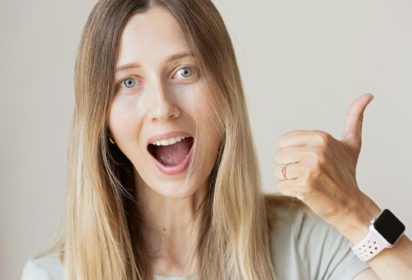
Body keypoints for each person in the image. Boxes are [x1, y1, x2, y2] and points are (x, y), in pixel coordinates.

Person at [20, 0, 412, 279]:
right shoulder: (52, 275)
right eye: (128, 82)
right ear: (102, 117)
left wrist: (354, 211)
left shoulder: (306, 241)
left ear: (226, 90)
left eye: (185, 72)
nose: (162, 107)